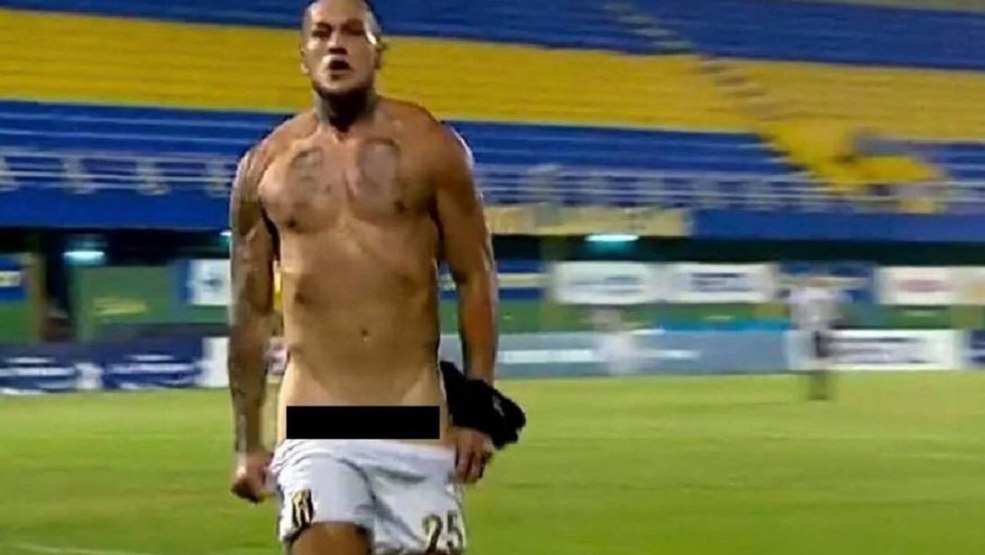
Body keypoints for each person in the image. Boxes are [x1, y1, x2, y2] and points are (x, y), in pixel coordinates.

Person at [225, 1, 510, 553]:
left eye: (354, 32)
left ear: (380, 53)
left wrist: (477, 410)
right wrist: (247, 442)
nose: (337, 44)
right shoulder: (265, 170)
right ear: (303, 55)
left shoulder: (432, 148)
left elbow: (476, 277)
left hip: (416, 423)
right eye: (322, 34)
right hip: (315, 424)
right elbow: (250, 312)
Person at [788, 273, 845, 401]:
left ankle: (812, 391)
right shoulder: (828, 295)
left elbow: (795, 312)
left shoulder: (801, 295)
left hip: (807, 330)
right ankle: (824, 390)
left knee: (810, 361)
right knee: (824, 362)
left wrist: (798, 323)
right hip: (823, 330)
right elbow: (834, 314)